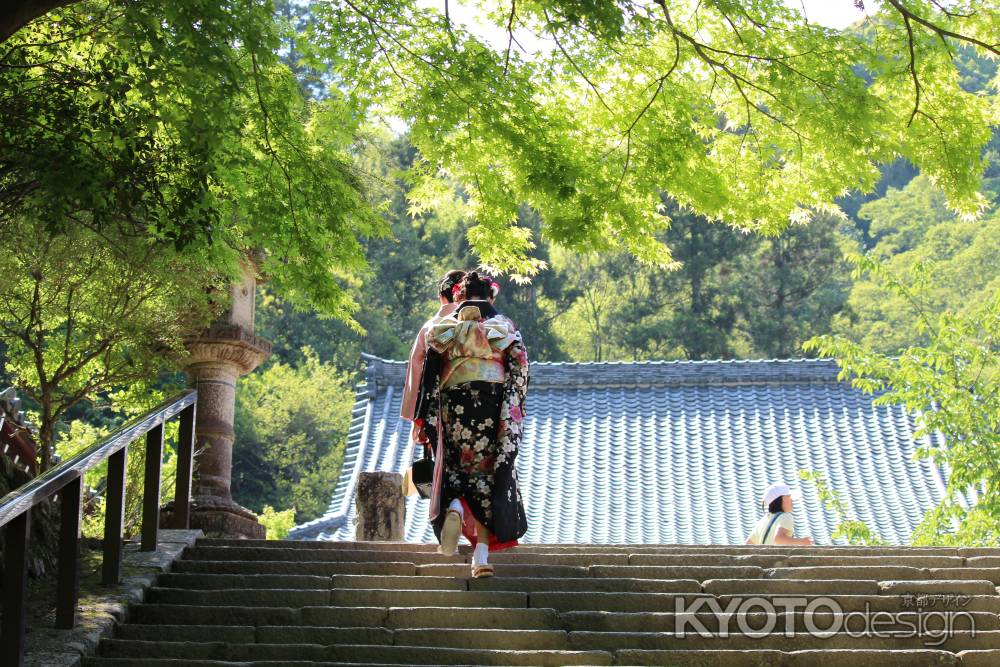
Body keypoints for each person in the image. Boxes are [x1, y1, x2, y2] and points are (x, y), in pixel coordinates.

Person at [413, 270, 529, 577]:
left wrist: (427, 417)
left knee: (454, 466)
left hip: (454, 405)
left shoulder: (443, 329)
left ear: (458, 297)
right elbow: (519, 363)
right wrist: (514, 405)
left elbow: (429, 374)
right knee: (489, 475)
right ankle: (481, 557)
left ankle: (455, 508)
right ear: (490, 297)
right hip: (491, 406)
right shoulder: (502, 326)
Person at [400, 269, 465, 444]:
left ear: (441, 296)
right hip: (475, 402)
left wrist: (416, 415)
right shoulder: (479, 324)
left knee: (441, 463)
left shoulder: (429, 327)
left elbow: (417, 368)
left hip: (434, 405)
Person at [745, 483, 814, 546]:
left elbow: (748, 543)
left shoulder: (763, 520)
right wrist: (801, 541)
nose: (792, 500)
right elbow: (778, 539)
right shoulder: (786, 516)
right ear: (784, 498)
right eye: (789, 496)